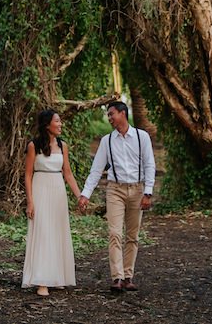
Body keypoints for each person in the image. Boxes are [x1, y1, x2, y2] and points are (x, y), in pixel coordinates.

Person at [78, 101, 156, 292]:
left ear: (123, 113)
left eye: (111, 114)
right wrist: (85, 195)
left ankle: (128, 276)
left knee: (132, 235)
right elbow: (96, 170)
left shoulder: (141, 137)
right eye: (108, 115)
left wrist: (148, 192)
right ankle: (117, 278)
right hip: (115, 190)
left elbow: (149, 165)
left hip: (137, 190)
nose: (109, 118)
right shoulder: (107, 141)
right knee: (114, 233)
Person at [21, 109, 81, 296]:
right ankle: (41, 281)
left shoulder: (63, 145)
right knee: (43, 233)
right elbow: (28, 175)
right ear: (47, 124)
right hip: (40, 189)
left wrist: (80, 196)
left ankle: (56, 277)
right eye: (57, 121)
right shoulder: (34, 145)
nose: (61, 124)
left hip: (58, 190)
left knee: (57, 231)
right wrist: (30, 202)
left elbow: (68, 173)